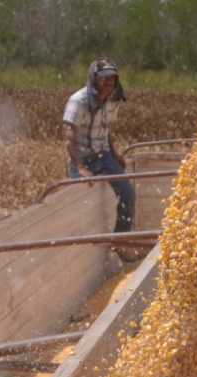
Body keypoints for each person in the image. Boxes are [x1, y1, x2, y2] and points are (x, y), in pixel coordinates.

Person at [63, 57, 136, 240]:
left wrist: (114, 153)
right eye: (103, 78)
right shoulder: (79, 101)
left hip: (104, 157)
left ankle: (120, 240)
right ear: (94, 79)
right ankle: (82, 246)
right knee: (82, 206)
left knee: (128, 194)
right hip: (83, 158)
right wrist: (80, 167)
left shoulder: (112, 101)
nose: (107, 82)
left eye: (111, 78)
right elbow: (69, 135)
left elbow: (105, 129)